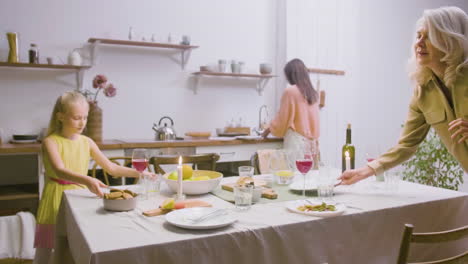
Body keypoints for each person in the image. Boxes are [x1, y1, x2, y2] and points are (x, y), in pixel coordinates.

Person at [339, 6, 468, 185]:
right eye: (419, 36)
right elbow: (406, 145)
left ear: (450, 41)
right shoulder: (422, 91)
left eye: (429, 36)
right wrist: (364, 171)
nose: (419, 43)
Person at [33, 91, 155, 264]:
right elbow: (60, 170)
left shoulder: (87, 142)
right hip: (57, 196)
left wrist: (140, 173)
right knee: (52, 246)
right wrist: (88, 179)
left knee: (76, 243)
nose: (82, 122)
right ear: (60, 117)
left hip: (79, 196)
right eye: (76, 117)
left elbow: (111, 168)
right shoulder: (50, 141)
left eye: (85, 117)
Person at [262, 58, 320, 155]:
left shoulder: (290, 92)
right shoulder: (313, 93)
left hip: (296, 143)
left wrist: (269, 129)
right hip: (312, 144)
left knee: (293, 170)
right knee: (310, 170)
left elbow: (282, 120)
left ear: (291, 75)